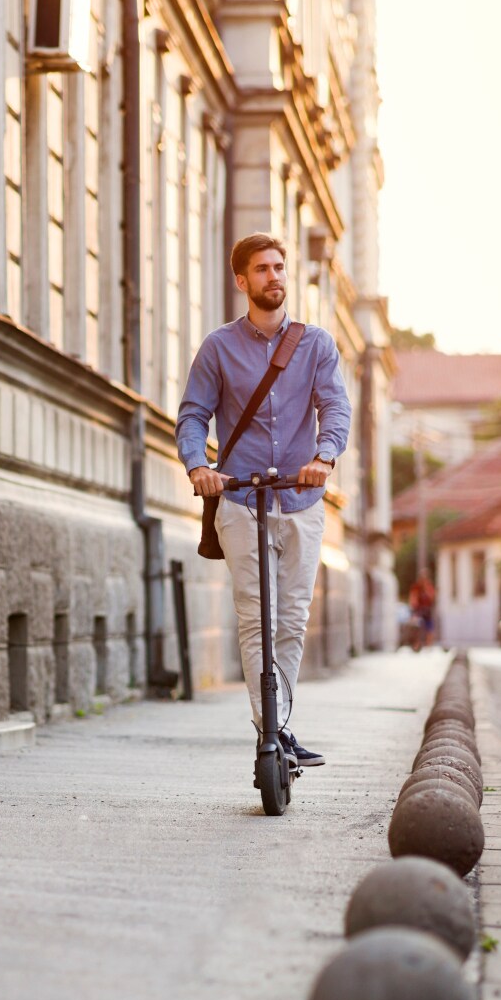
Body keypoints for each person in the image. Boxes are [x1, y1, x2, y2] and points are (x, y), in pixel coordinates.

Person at [178, 232, 351, 768]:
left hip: (301, 502)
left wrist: (324, 457)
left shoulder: (317, 344)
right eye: (262, 269)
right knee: (255, 619)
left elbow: (335, 407)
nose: (274, 276)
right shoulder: (218, 347)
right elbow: (192, 415)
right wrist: (198, 466)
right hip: (240, 501)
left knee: (292, 619)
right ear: (241, 281)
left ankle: (279, 725)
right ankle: (270, 731)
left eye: (279, 267)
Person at [408, 571, 437, 650]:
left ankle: (428, 645)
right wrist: (414, 609)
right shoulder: (416, 587)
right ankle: (416, 644)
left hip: (427, 611)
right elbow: (413, 599)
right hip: (418, 610)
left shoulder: (429, 587)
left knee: (430, 628)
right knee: (416, 627)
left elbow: (432, 598)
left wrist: (426, 590)